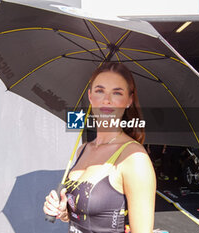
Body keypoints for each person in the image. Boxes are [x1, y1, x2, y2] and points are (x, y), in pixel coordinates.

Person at [43, 62, 156, 233]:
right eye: (99, 91)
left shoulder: (134, 158)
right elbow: (79, 217)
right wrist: (62, 211)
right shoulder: (82, 150)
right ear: (90, 96)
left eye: (117, 93)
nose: (106, 100)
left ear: (129, 100)